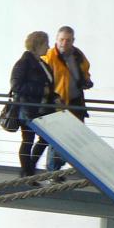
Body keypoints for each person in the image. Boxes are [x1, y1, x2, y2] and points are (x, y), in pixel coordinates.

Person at [42, 26, 93, 171]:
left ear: (73, 41)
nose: (64, 43)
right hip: (58, 104)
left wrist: (86, 81)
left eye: (68, 40)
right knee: (58, 139)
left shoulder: (78, 55)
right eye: (61, 39)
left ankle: (62, 167)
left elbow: (85, 71)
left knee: (77, 137)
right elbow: (44, 79)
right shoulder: (49, 56)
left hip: (76, 102)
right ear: (56, 40)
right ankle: (53, 172)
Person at [9, 31, 54, 178]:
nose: (48, 46)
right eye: (46, 43)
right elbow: (16, 86)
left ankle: (29, 170)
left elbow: (49, 86)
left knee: (43, 139)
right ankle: (28, 172)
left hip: (41, 109)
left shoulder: (42, 64)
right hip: (27, 108)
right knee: (28, 140)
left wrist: (55, 96)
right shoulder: (23, 63)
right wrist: (41, 90)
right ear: (38, 45)